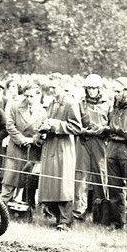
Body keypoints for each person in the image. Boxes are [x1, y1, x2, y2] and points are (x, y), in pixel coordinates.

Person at [36, 75, 82, 231]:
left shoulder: (70, 103)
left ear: (62, 86)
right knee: (52, 184)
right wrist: (43, 131)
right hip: (50, 147)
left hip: (63, 148)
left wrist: (56, 125)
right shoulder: (51, 103)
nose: (51, 90)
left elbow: (77, 128)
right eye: (50, 87)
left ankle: (66, 221)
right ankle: (57, 217)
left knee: (63, 184)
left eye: (54, 87)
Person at [0, 84, 45, 219]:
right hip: (15, 149)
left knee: (29, 182)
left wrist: (33, 140)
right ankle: (2, 208)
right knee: (9, 180)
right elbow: (10, 125)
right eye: (26, 96)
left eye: (31, 96)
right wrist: (21, 138)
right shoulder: (15, 107)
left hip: (32, 151)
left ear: (38, 96)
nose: (28, 99)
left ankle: (28, 212)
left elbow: (43, 131)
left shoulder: (42, 112)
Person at [104, 78, 127, 230]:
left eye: (118, 91)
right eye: (115, 91)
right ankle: (116, 222)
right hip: (112, 148)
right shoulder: (113, 106)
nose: (116, 94)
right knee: (114, 187)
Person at [74, 73, 110, 222]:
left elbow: (112, 124)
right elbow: (75, 124)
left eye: (94, 88)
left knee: (101, 176)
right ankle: (78, 211)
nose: (92, 91)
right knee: (80, 176)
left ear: (100, 89)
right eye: (89, 88)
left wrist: (104, 129)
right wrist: (85, 131)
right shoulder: (80, 104)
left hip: (101, 142)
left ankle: (101, 213)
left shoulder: (108, 103)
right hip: (84, 141)